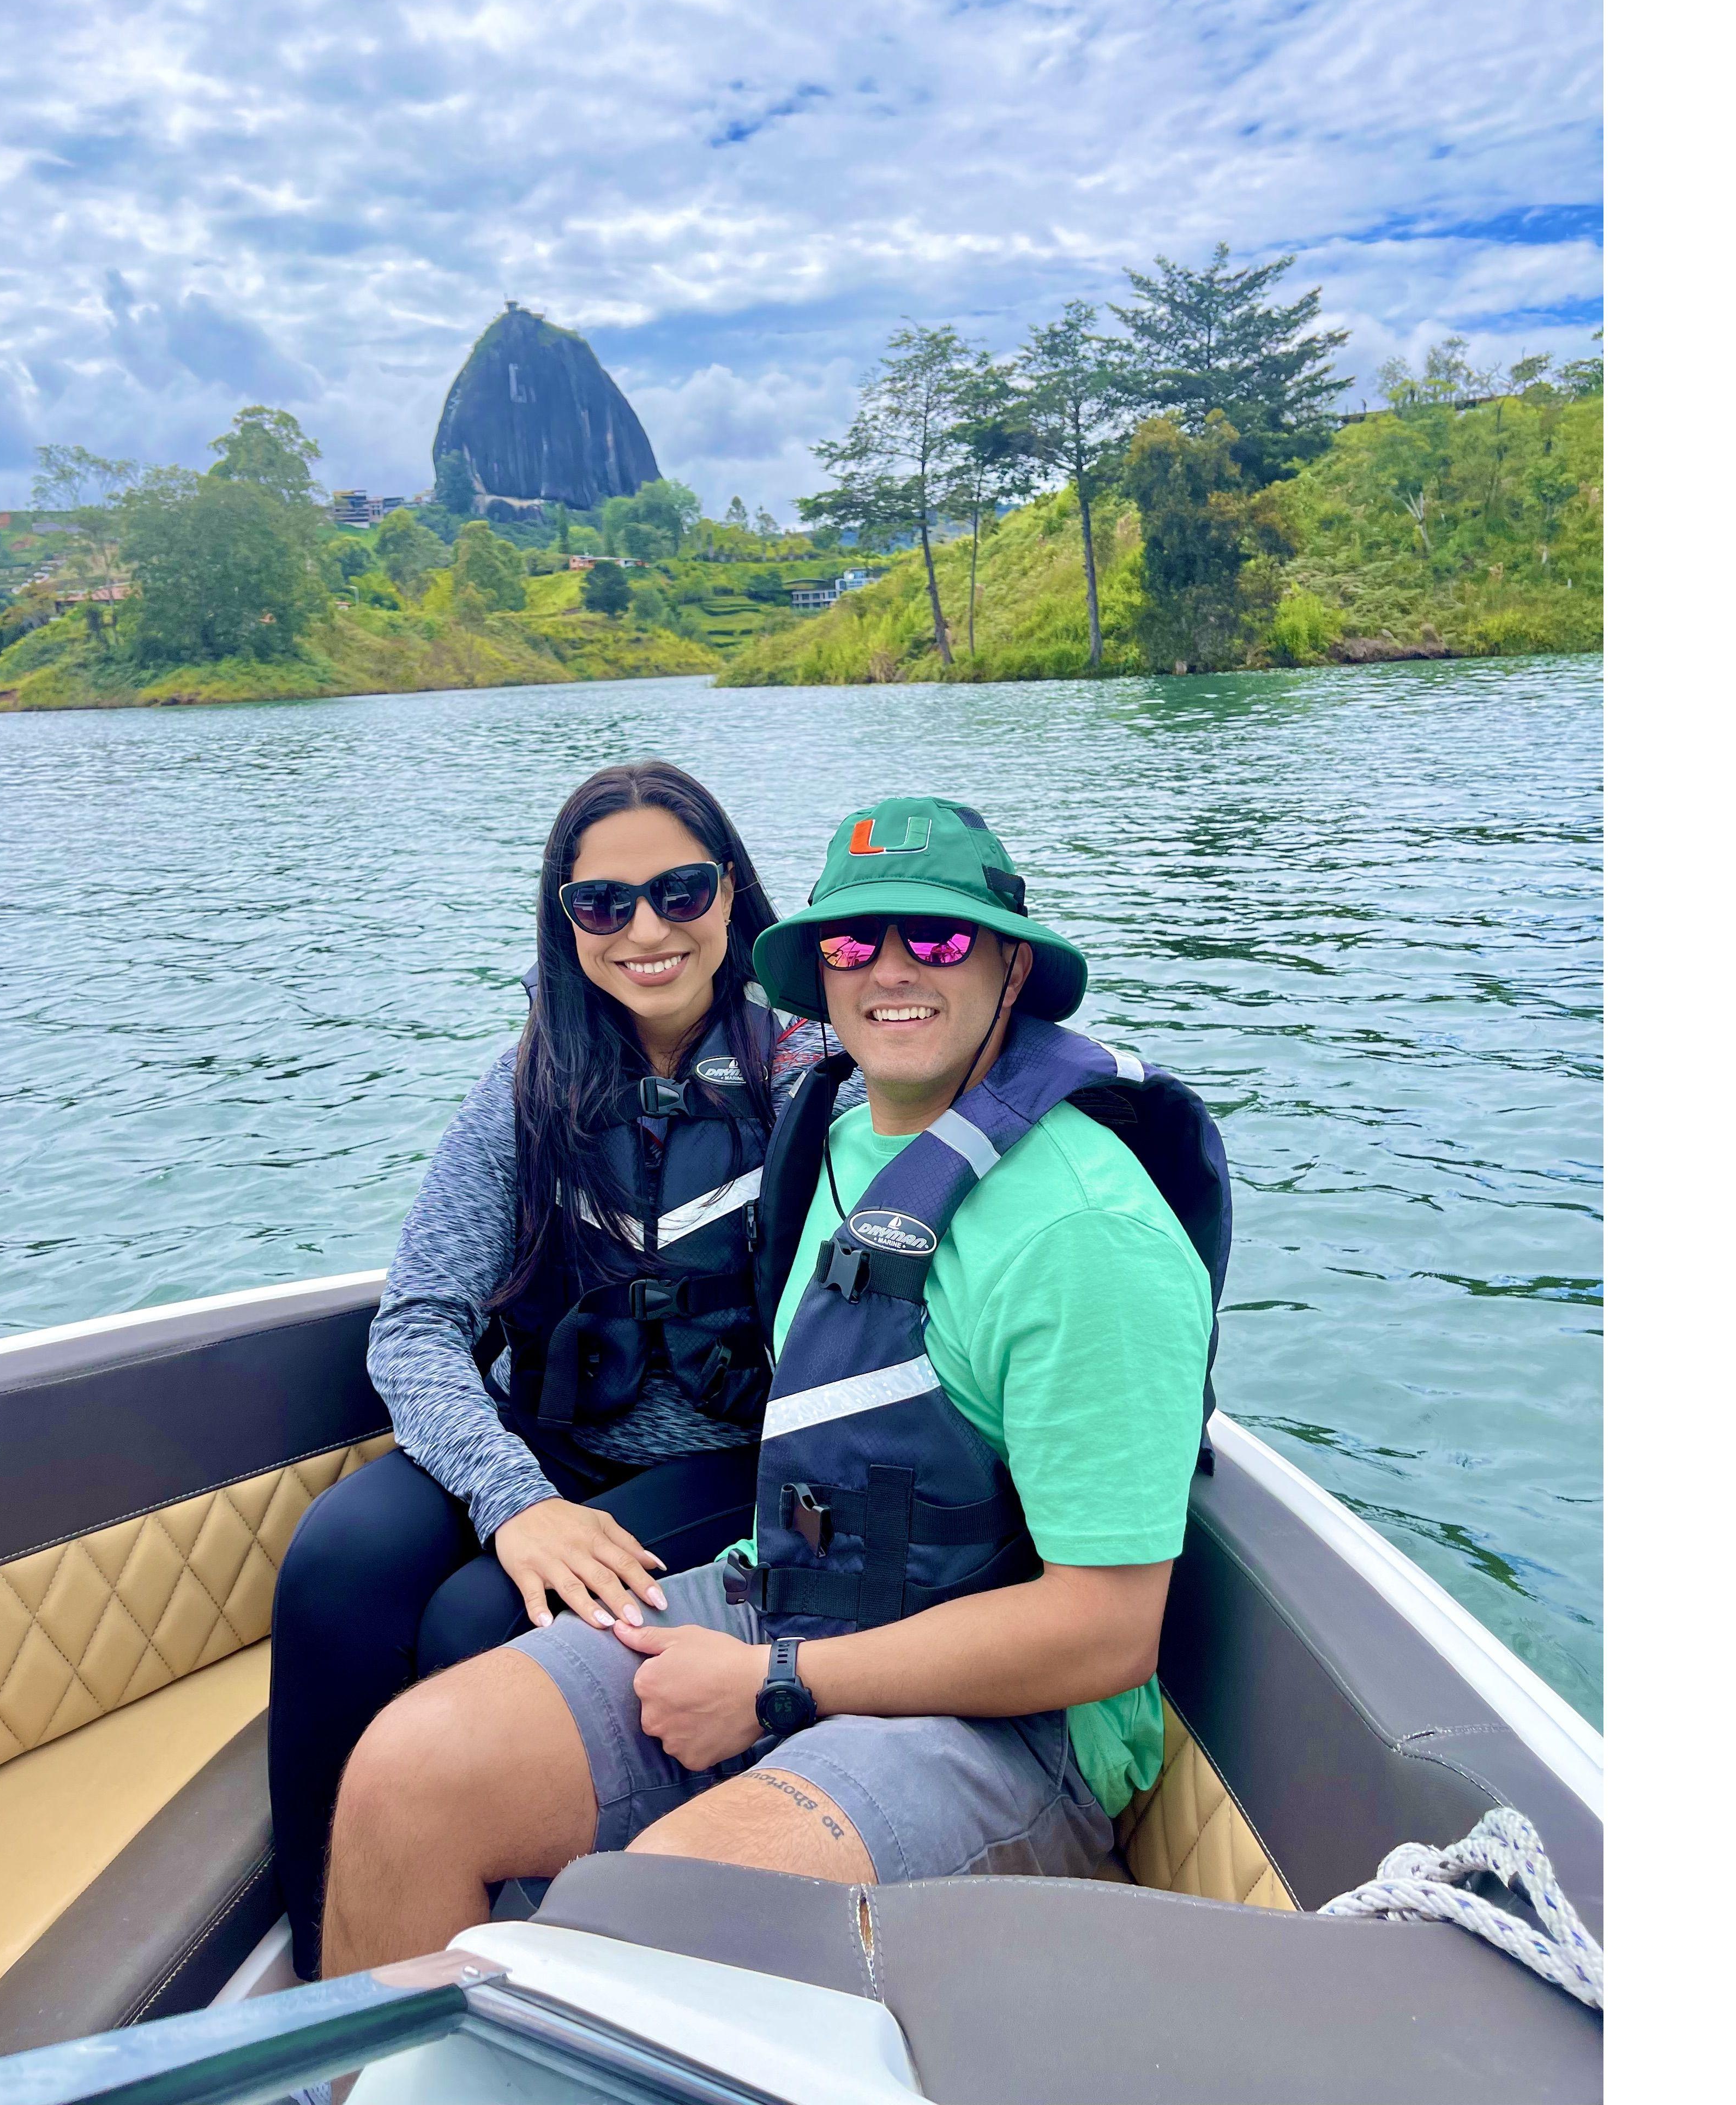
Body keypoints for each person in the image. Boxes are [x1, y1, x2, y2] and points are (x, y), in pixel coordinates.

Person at [318, 794, 1226, 1974]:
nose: (891, 972)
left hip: (1009, 1724)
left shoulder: (1088, 1234)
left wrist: (775, 1687)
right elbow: (425, 1319)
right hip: (796, 1591)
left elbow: (1105, 1633)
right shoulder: (834, 1136)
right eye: (854, 943)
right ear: (817, 973)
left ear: (1013, 968)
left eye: (940, 941)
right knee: (406, 1775)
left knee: (638, 1920)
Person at [268, 761, 843, 1981]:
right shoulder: (528, 1088)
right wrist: (515, 1496)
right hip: (553, 1438)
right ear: (564, 918)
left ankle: (503, 1967)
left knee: (485, 1618)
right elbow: (417, 1321)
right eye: (603, 905)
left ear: (733, 895)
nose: (645, 930)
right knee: (338, 1564)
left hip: (723, 1462)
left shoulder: (814, 1083)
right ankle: (331, 1965)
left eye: (680, 892)